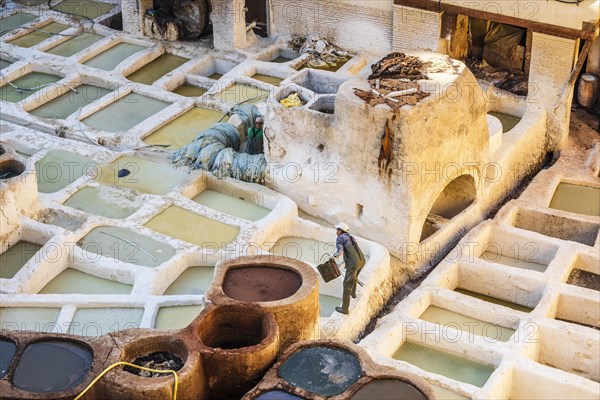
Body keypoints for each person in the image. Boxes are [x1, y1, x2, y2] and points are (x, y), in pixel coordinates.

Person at [333, 222, 365, 315]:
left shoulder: (340, 238)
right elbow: (351, 254)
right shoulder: (351, 237)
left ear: (340, 231)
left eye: (337, 230)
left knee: (347, 285)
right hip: (361, 261)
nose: (336, 232)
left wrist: (334, 256)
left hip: (353, 265)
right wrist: (342, 263)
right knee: (354, 278)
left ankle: (344, 309)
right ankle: (353, 294)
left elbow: (340, 252)